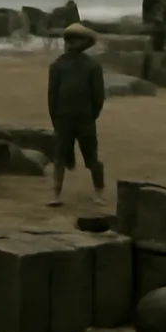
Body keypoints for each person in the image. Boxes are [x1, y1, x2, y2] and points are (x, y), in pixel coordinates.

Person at [47, 22, 106, 207]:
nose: (73, 42)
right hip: (63, 118)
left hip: (85, 118)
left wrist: (91, 115)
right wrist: (55, 118)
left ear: (86, 42)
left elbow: (98, 96)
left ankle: (99, 192)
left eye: (78, 39)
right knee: (59, 158)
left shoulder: (92, 66)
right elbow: (52, 95)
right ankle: (56, 194)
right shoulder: (57, 65)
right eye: (70, 38)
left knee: (92, 157)